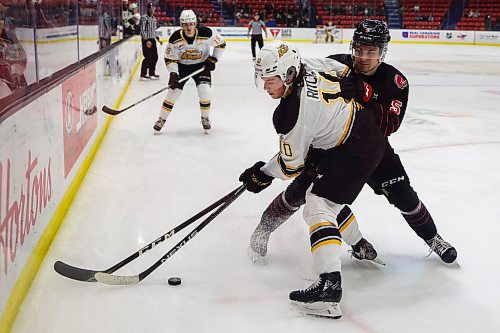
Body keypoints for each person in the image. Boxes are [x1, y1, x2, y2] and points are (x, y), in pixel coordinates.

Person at [248, 19, 458, 265]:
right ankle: (263, 231)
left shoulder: (395, 81)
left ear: (382, 52)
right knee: (302, 193)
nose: (363, 57)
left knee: (403, 196)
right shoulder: (337, 63)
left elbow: (391, 124)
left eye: (371, 52)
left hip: (371, 149)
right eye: (358, 50)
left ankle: (433, 238)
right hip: (329, 148)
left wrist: (365, 95)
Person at [239, 40, 386, 318]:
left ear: (289, 75)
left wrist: (262, 173)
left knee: (319, 205)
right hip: (347, 137)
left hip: (354, 147)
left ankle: (328, 289)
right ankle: (360, 245)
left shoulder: (289, 114)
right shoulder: (309, 65)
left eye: (271, 80)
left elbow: (290, 167)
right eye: (263, 79)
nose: (266, 86)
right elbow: (342, 70)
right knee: (324, 196)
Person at [153, 9, 226, 133]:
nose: (189, 27)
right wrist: (173, 73)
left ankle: (205, 118)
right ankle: (161, 119)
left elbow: (221, 44)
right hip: (182, 67)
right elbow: (170, 58)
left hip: (202, 66)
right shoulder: (175, 38)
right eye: (185, 24)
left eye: (191, 23)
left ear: (195, 23)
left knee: (205, 91)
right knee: (173, 92)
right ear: (181, 25)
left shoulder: (207, 33)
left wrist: (213, 59)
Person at [140, 2, 162, 80]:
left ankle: (152, 73)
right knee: (148, 57)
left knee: (155, 57)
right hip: (147, 40)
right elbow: (142, 30)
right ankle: (143, 74)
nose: (153, 10)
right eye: (151, 8)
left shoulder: (154, 18)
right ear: (148, 9)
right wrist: (146, 40)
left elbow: (154, 30)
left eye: (154, 8)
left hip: (152, 39)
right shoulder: (144, 18)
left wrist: (158, 38)